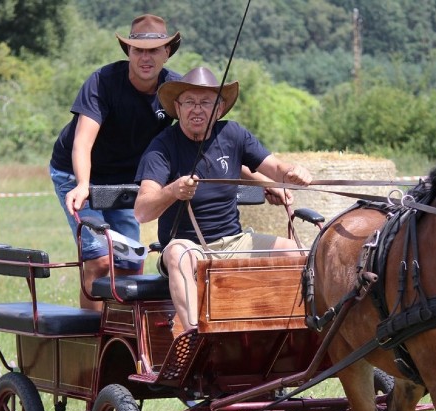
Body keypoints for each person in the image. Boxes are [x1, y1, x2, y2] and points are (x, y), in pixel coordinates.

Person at [134, 66, 313, 332]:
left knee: (300, 253)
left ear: (218, 109)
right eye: (190, 102)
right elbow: (142, 211)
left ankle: (297, 330)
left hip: (235, 241)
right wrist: (173, 191)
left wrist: (292, 172)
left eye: (206, 102)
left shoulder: (233, 134)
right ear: (177, 107)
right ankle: (194, 336)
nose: (197, 109)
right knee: (179, 255)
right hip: (186, 245)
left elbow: (275, 168)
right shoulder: (162, 147)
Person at [51, 14, 182, 310]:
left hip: (125, 180)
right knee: (99, 260)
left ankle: (122, 339)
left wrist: (258, 179)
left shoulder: (175, 90)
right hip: (77, 174)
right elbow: (82, 142)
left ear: (167, 52)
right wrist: (83, 184)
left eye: (153, 50)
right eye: (138, 50)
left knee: (130, 261)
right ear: (128, 52)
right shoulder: (104, 81)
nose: (145, 58)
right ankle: (90, 339)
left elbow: (198, 138)